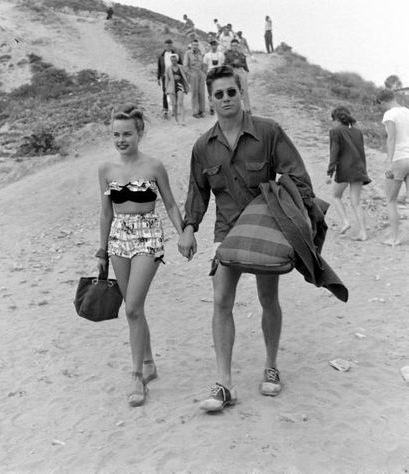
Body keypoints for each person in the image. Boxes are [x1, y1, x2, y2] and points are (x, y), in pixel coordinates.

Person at [177, 66, 314, 412]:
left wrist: (288, 212)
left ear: (241, 93)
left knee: (269, 298)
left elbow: (297, 176)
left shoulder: (268, 132)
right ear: (210, 100)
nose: (225, 98)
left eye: (231, 92)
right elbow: (198, 191)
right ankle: (224, 383)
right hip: (228, 233)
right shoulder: (203, 146)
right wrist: (189, 226)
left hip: (266, 231)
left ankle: (271, 366)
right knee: (222, 299)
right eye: (219, 94)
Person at [97, 104, 184, 407]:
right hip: (118, 237)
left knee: (132, 306)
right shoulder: (106, 170)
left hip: (148, 235)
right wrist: (101, 250)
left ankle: (136, 375)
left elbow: (171, 204)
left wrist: (184, 232)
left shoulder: (154, 166)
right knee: (134, 308)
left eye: (127, 134)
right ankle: (148, 364)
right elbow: (106, 212)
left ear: (140, 133)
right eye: (116, 134)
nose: (121, 140)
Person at [326, 106, 371, 241]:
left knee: (336, 195)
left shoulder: (335, 131)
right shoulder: (358, 132)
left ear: (337, 119)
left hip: (345, 169)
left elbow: (334, 152)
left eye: (333, 119)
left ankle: (345, 221)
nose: (333, 122)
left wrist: (330, 173)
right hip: (358, 168)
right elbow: (361, 152)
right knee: (356, 202)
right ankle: (363, 233)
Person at [376, 89, 409, 246]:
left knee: (391, 200)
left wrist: (389, 161)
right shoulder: (407, 111)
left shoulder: (389, 114)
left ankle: (395, 238)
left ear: (382, 102)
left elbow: (392, 138)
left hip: (399, 158)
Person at [224, 38, 251, 113]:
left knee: (244, 90)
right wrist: (233, 63)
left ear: (238, 46)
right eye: (233, 46)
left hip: (241, 71)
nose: (234, 47)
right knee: (234, 90)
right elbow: (225, 65)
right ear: (231, 46)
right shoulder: (228, 55)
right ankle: (236, 109)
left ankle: (247, 108)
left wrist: (246, 70)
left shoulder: (241, 54)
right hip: (233, 71)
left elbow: (245, 64)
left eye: (236, 45)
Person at [157, 39, 181, 120]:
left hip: (174, 76)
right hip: (164, 76)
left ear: (172, 45)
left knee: (175, 92)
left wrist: (180, 75)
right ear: (165, 45)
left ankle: (175, 109)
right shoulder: (161, 56)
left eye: (170, 45)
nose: (169, 47)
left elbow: (180, 65)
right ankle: (165, 110)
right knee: (165, 92)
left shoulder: (176, 54)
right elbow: (159, 67)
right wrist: (158, 78)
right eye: (167, 45)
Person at [183, 38, 206, 118]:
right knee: (194, 93)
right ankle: (195, 111)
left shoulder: (200, 53)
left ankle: (202, 111)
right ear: (191, 45)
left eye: (197, 45)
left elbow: (202, 63)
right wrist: (190, 74)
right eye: (194, 45)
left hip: (200, 74)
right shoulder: (188, 53)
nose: (195, 46)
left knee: (201, 92)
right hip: (193, 73)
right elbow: (185, 66)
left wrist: (203, 73)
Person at [165, 54, 190, 126]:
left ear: (177, 60)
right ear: (170, 60)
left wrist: (186, 80)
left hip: (180, 86)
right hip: (171, 87)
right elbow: (167, 79)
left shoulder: (181, 67)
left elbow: (187, 74)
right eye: (172, 60)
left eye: (175, 60)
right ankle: (176, 120)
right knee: (174, 104)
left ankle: (183, 120)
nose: (174, 61)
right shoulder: (168, 68)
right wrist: (166, 89)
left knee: (180, 103)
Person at [203, 39, 226, 115]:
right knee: (210, 91)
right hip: (210, 74)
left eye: (215, 45)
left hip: (218, 74)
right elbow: (205, 66)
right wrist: (206, 75)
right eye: (212, 45)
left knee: (220, 90)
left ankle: (221, 106)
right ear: (210, 46)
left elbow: (222, 65)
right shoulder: (207, 55)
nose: (214, 46)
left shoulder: (221, 54)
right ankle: (211, 107)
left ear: (217, 45)